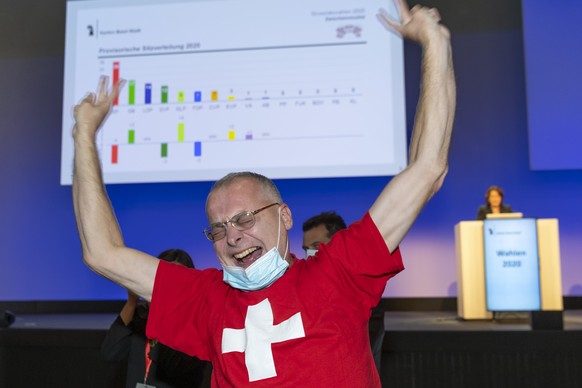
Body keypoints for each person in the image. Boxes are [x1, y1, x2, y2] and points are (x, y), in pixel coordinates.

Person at [71, 1, 455, 386]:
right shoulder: (206, 299)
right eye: (218, 229)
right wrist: (84, 135)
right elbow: (102, 252)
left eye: (244, 218)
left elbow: (427, 170)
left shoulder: (337, 272)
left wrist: (434, 45)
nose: (233, 236)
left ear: (284, 215)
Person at [101, 249, 212, 388]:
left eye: (175, 280)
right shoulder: (140, 315)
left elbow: (179, 369)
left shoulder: (194, 323)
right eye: (163, 279)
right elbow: (110, 353)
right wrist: (131, 301)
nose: (168, 286)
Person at [302, 212, 385, 374]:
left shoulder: (361, 287)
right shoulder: (308, 284)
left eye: (316, 246)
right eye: (306, 248)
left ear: (338, 242)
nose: (309, 253)